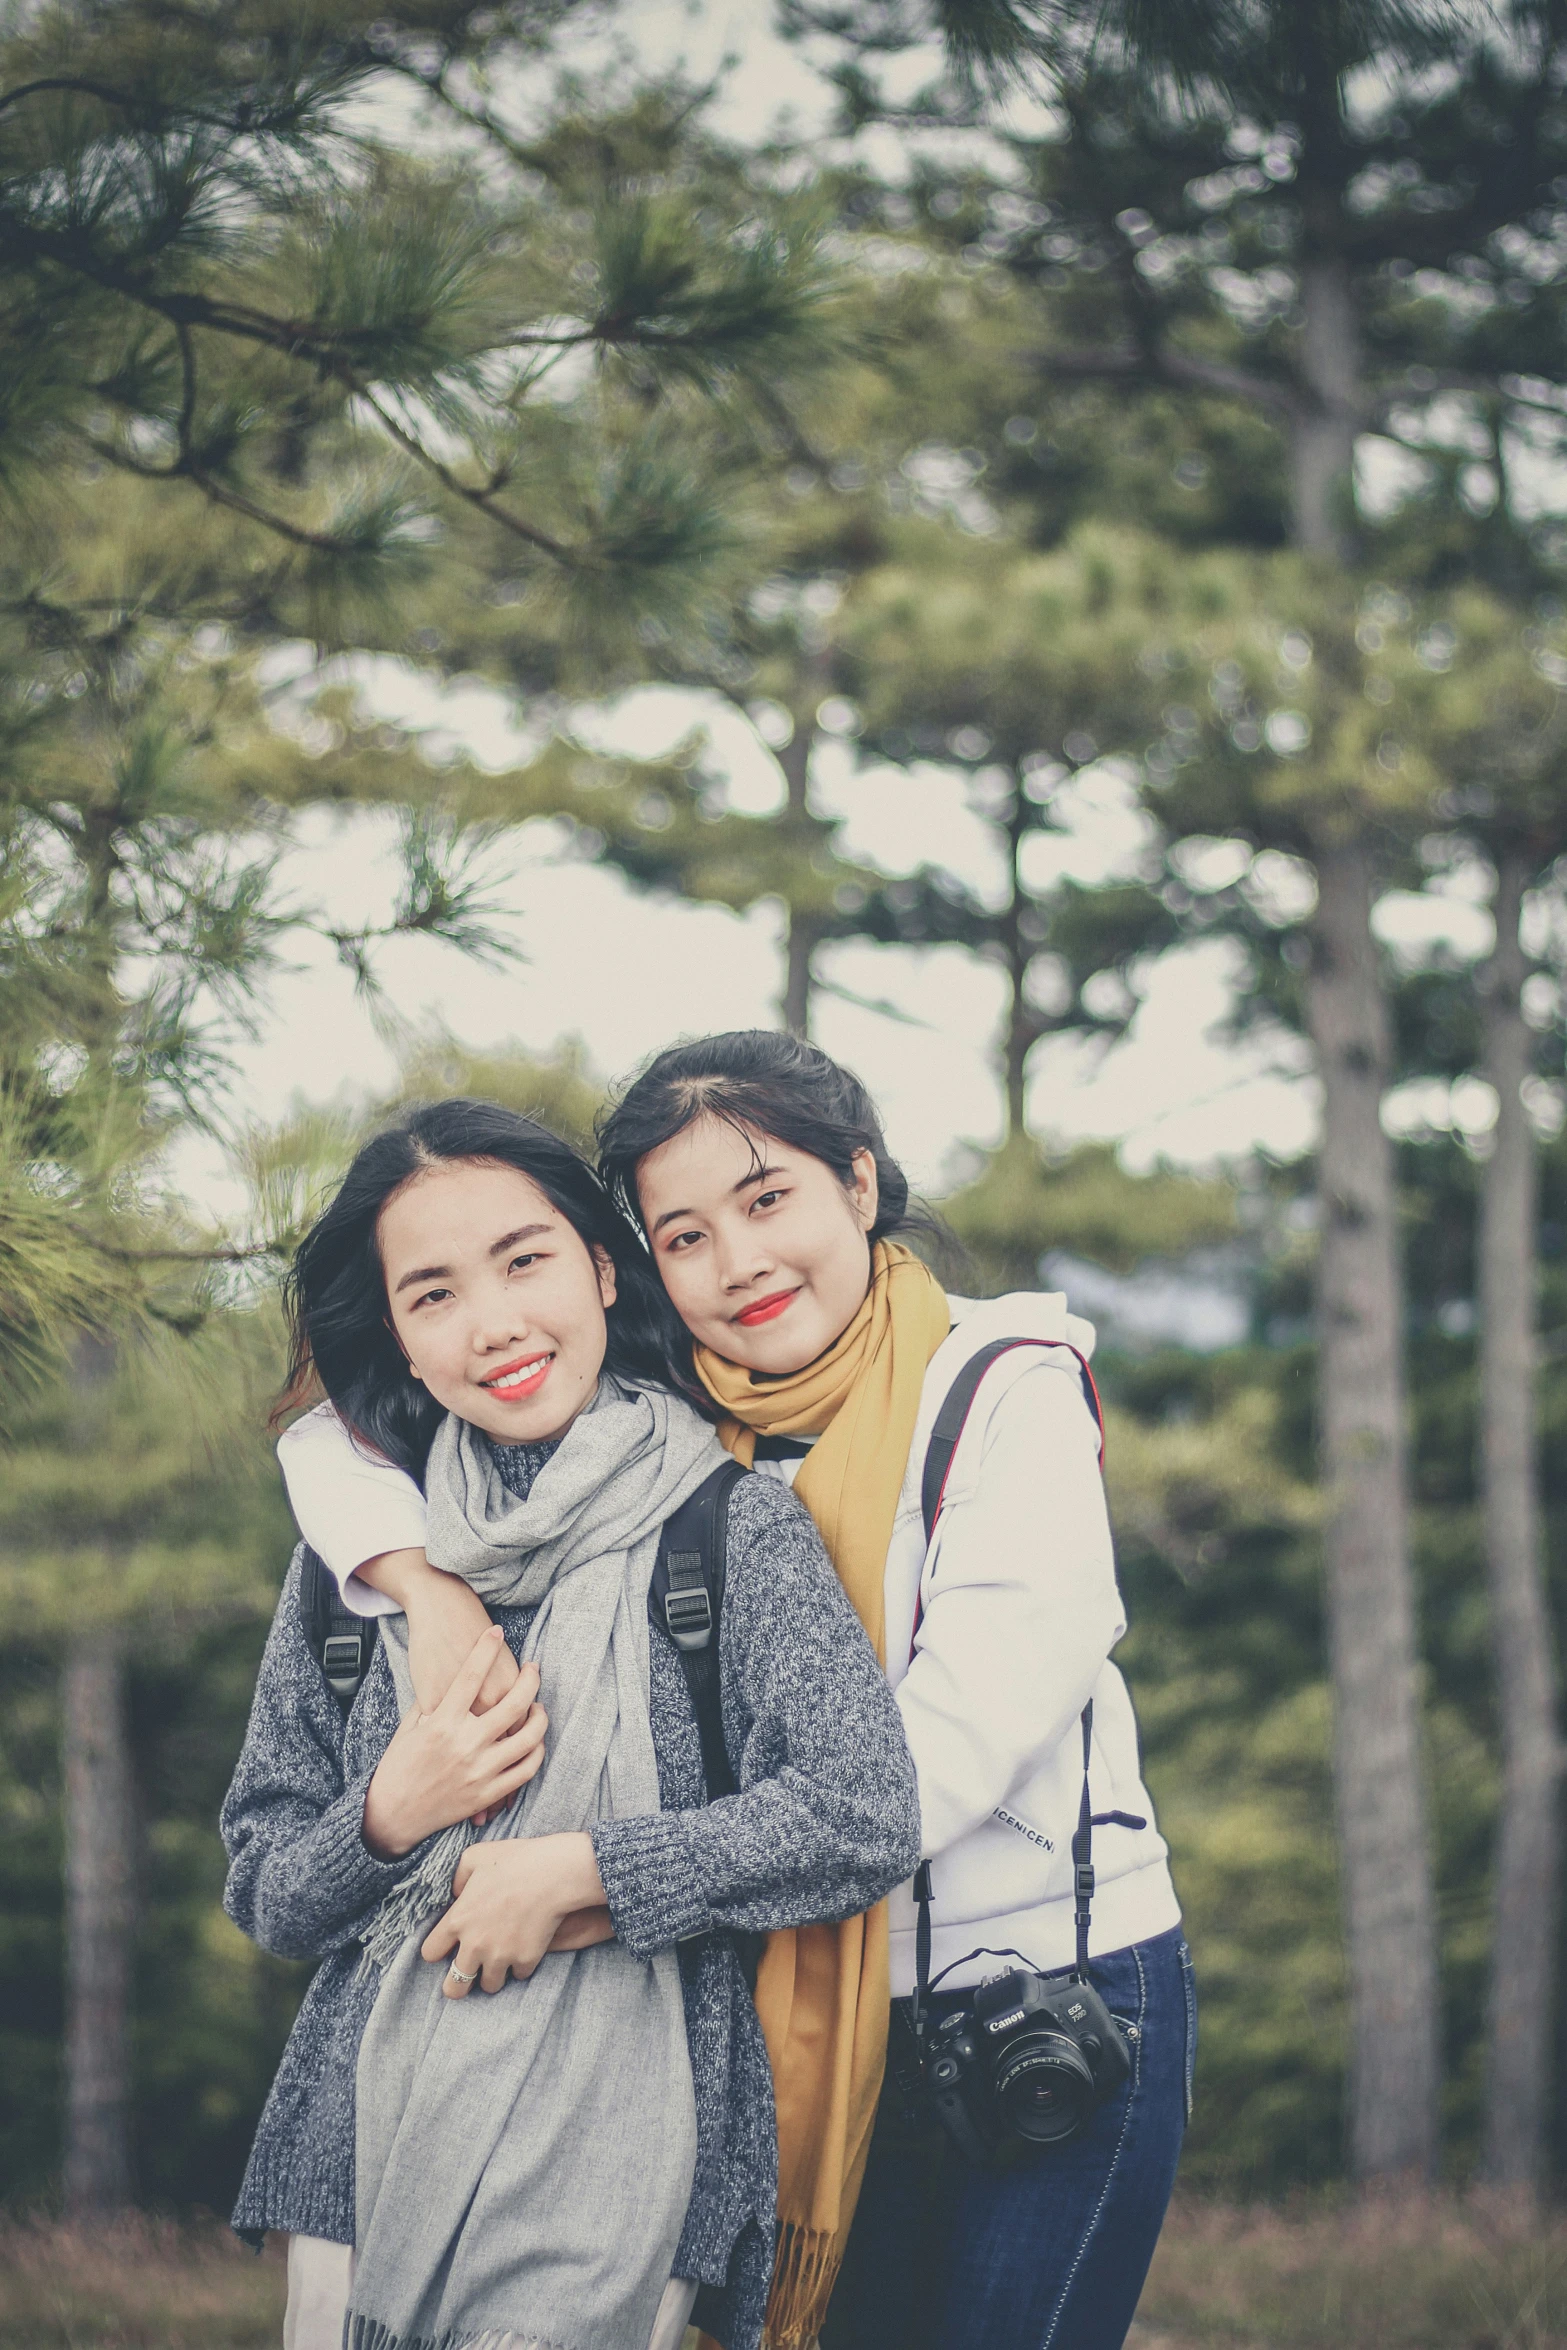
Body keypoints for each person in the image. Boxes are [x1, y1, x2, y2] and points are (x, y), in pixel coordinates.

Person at [289, 1035, 1193, 2350]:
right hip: (774, 2025)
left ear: (857, 1182)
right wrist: (420, 1588)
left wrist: (599, 1874)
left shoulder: (999, 1384)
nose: (739, 1262)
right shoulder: (671, 1421)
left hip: (1040, 1990)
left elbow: (939, 1751)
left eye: (766, 1200)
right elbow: (330, 1435)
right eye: (685, 1234)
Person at [222, 1096, 919, 2350]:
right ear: (399, 1332)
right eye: (432, 1294)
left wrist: (586, 1869)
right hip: (360, 2155)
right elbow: (266, 1889)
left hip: (630, 2150)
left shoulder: (728, 1529)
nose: (493, 1325)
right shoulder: (358, 1558)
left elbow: (859, 1811)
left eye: (524, 1260)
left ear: (602, 1268)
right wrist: (389, 1812)